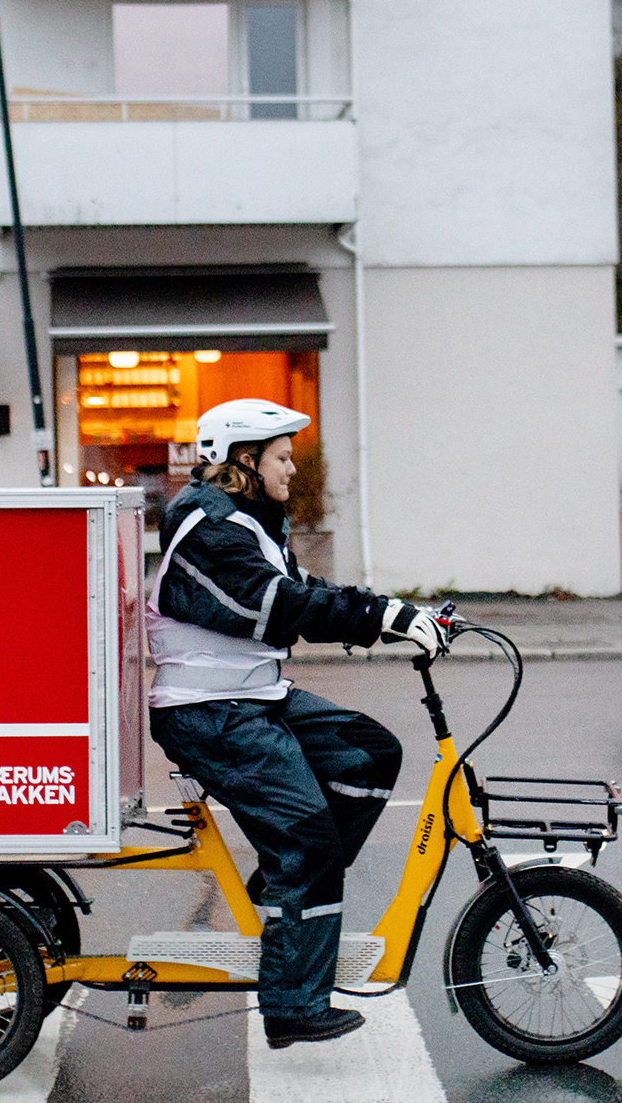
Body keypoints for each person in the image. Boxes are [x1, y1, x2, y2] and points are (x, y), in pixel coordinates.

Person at [146, 398, 446, 1049]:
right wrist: (382, 620)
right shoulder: (210, 529)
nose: (292, 468)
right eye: (282, 457)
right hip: (207, 711)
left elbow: (303, 585)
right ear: (245, 460)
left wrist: (393, 611)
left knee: (368, 753)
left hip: (251, 696)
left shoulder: (247, 520)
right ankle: (292, 1005)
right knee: (309, 840)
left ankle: (286, 884)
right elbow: (283, 604)